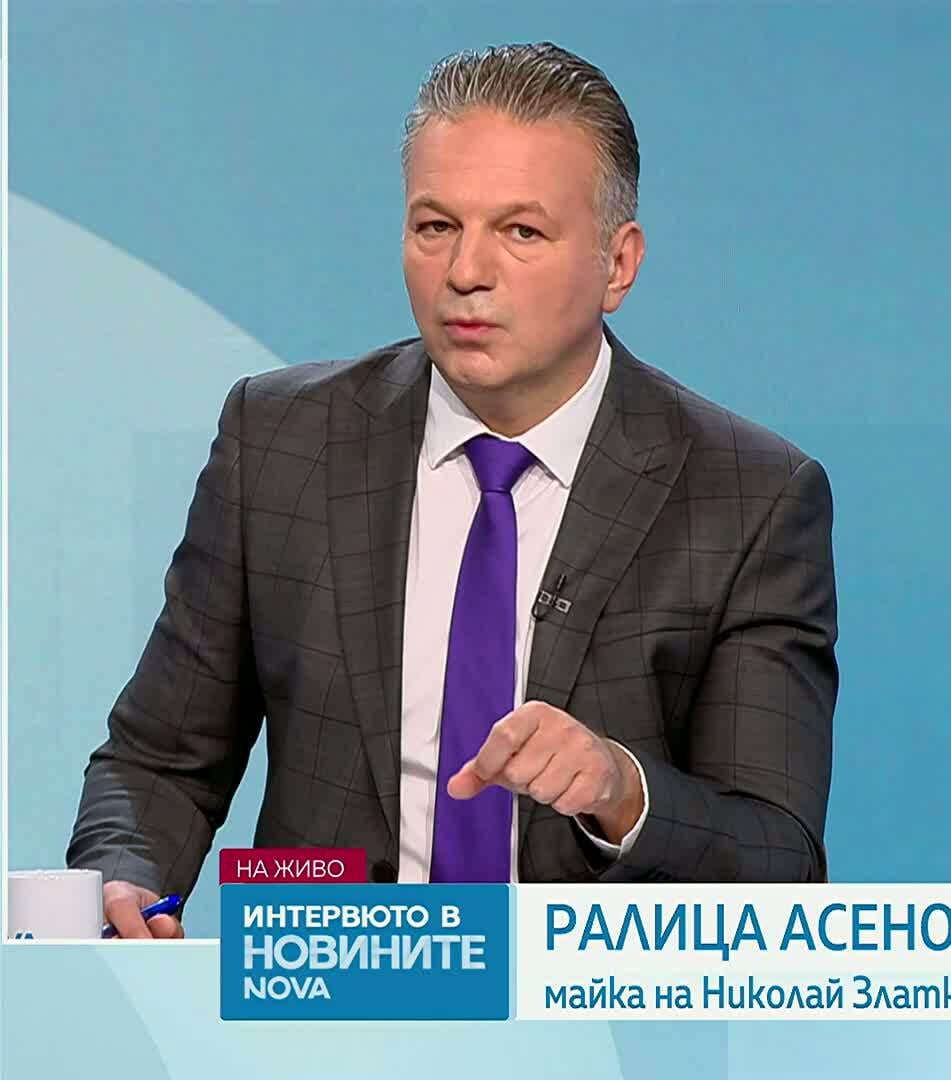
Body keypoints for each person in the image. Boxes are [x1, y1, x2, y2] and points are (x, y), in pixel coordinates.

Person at [69, 42, 838, 938]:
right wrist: (124, 882)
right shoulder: (280, 441)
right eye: (436, 226)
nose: (466, 272)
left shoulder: (748, 497)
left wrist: (623, 792)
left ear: (618, 264)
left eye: (521, 232)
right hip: (327, 989)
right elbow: (157, 764)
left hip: (585, 1009)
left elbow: (778, 857)